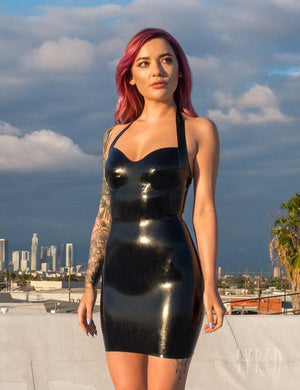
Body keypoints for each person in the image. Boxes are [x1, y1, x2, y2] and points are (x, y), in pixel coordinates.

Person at [78, 27, 226, 390]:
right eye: (144, 63)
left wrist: (211, 286)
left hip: (172, 277)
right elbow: (104, 212)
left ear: (180, 70)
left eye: (166, 60)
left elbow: (203, 210)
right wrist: (89, 285)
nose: (157, 70)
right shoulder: (114, 136)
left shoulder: (199, 130)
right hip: (119, 282)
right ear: (131, 76)